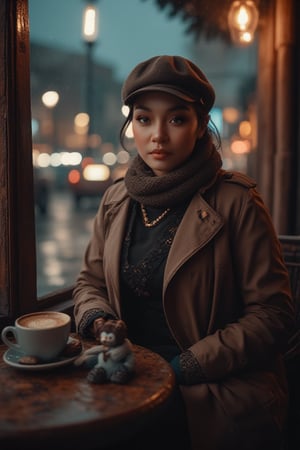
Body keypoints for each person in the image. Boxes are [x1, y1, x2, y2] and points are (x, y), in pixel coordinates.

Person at [73, 55, 295, 450]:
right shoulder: (116, 199)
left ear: (199, 126)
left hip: (208, 392)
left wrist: (186, 366)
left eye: (176, 119)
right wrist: (100, 321)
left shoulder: (237, 202)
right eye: (144, 119)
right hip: (124, 375)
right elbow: (89, 281)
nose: (158, 135)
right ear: (131, 125)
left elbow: (273, 315)